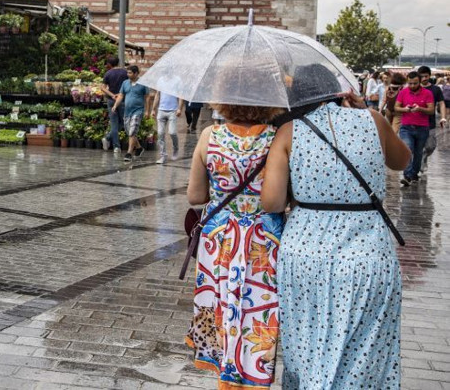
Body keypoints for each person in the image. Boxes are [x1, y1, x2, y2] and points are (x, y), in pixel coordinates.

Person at [261, 65, 411, 389]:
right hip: (367, 254)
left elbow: (271, 202)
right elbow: (403, 161)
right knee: (363, 353)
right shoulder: (373, 120)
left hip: (304, 254)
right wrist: (368, 113)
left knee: (307, 348)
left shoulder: (288, 131)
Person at [185, 102, 285, 389]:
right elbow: (282, 198)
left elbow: (195, 196)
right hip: (264, 242)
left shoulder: (209, 135)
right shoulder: (278, 137)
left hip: (219, 240)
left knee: (220, 304)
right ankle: (252, 374)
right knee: (258, 313)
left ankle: (225, 376)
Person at [395, 70, 434, 186]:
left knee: (418, 154)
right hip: (406, 127)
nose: (412, 86)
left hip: (422, 128)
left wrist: (420, 109)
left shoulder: (427, 93)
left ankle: (414, 174)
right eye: (410, 83)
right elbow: (397, 107)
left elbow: (431, 110)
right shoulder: (403, 92)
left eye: (415, 83)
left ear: (420, 81)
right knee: (408, 149)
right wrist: (405, 109)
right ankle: (407, 176)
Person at [113, 65, 150, 163]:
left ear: (136, 73)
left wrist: (147, 111)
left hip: (138, 111)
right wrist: (115, 105)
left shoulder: (143, 83)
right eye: (127, 72)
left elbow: (147, 97)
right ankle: (139, 148)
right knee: (129, 131)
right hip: (127, 111)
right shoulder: (125, 83)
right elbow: (121, 95)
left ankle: (129, 153)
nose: (127, 74)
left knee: (132, 131)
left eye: (130, 73)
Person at [417, 65, 446, 173]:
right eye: (422, 76)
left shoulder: (436, 89)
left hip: (431, 122)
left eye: (426, 76)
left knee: (430, 146)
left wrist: (443, 117)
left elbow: (441, 103)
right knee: (417, 147)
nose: (424, 78)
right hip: (416, 122)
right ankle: (417, 167)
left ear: (429, 76)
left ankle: (423, 158)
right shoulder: (415, 88)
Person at [150, 77, 183, 164]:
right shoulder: (160, 80)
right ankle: (163, 155)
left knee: (172, 132)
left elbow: (180, 96)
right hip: (161, 110)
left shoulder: (177, 80)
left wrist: (180, 108)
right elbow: (157, 95)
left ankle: (176, 149)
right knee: (160, 133)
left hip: (173, 110)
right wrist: (153, 109)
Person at [100, 55, 128, 153]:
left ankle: (109, 140)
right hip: (123, 100)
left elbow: (102, 88)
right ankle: (116, 146)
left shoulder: (108, 73)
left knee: (114, 123)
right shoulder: (125, 72)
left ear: (109, 64)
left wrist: (112, 95)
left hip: (112, 100)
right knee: (123, 123)